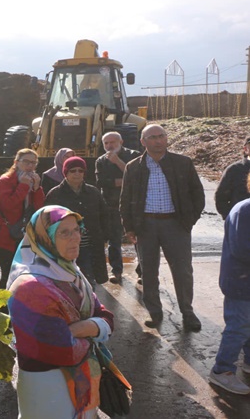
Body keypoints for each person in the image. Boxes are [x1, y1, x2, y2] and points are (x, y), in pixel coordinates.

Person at [7, 205, 114, 418]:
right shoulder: (29, 287)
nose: (75, 238)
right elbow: (63, 350)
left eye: (77, 230)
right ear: (45, 238)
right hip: (47, 391)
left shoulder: (71, 273)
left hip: (78, 388)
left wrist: (80, 328)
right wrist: (95, 332)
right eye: (64, 232)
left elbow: (107, 318)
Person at [120, 124, 205, 331]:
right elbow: (125, 200)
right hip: (146, 226)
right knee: (149, 271)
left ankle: (187, 312)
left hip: (175, 224)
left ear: (167, 139)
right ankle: (155, 312)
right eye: (152, 137)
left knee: (183, 271)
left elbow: (198, 195)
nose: (158, 141)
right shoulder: (134, 167)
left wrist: (188, 221)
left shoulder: (182, 163)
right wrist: (130, 228)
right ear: (143, 142)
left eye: (162, 136)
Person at [208, 184, 250, 395]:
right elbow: (243, 249)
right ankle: (221, 371)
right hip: (241, 282)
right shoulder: (244, 210)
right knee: (239, 326)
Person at [45, 157, 109, 287]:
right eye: (73, 170)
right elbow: (47, 221)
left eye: (80, 170)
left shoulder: (93, 192)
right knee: (67, 282)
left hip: (89, 245)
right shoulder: (55, 194)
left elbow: (105, 215)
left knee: (89, 282)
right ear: (66, 173)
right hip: (65, 246)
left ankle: (89, 306)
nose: (77, 174)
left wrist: (105, 236)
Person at [0, 148, 45, 289]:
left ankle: (18, 304)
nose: (30, 166)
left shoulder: (31, 181)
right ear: (16, 162)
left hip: (22, 233)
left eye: (33, 163)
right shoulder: (5, 181)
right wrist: (23, 186)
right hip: (4, 235)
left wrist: (37, 189)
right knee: (8, 274)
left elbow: (39, 209)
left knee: (22, 274)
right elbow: (8, 206)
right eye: (26, 162)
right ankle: (3, 306)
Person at [95, 131, 141, 284]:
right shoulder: (101, 161)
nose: (109, 146)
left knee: (139, 239)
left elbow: (138, 177)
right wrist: (123, 181)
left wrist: (118, 162)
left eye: (112, 142)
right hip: (112, 206)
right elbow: (101, 182)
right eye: (106, 143)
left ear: (121, 142)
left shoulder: (134, 155)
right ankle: (116, 271)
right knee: (114, 241)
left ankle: (142, 272)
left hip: (134, 205)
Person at [215, 136, 250, 220]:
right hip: (242, 222)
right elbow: (221, 197)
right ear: (246, 149)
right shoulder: (234, 170)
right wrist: (230, 218)